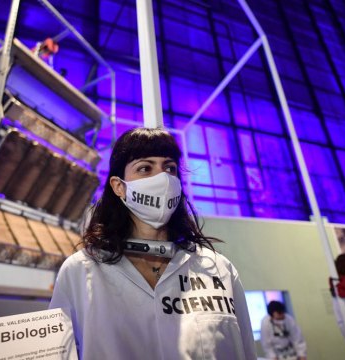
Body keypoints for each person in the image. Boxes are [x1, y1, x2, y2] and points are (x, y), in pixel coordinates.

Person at [49, 127, 256, 359]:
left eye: (170, 168)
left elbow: (246, 351)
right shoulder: (80, 271)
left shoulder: (218, 269)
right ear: (119, 186)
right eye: (145, 168)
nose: (163, 179)